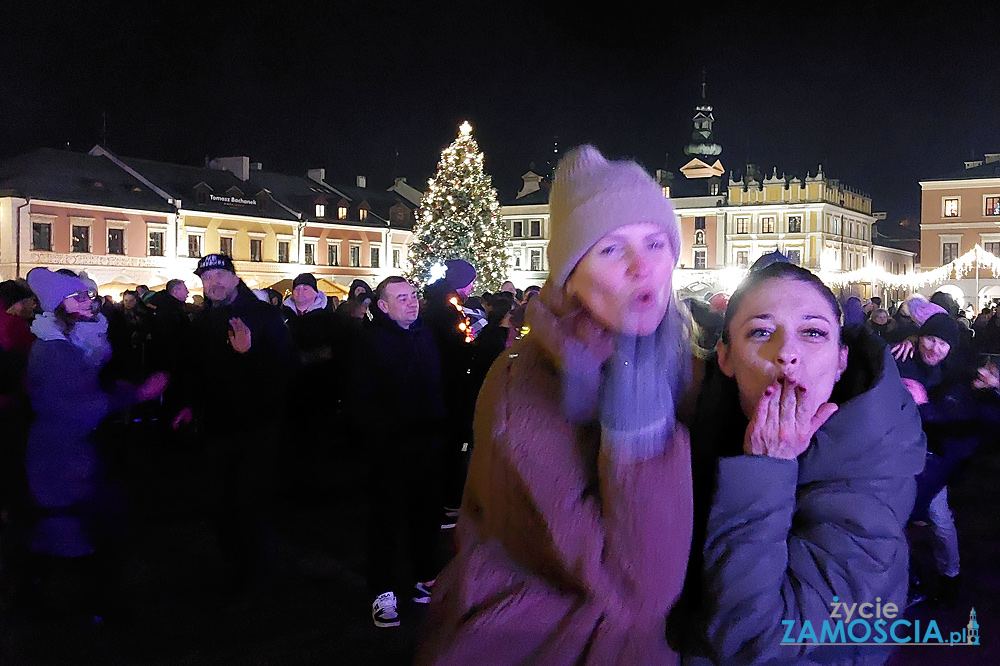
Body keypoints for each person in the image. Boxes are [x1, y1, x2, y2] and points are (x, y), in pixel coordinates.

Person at [418, 145, 693, 665]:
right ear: (570, 273)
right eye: (611, 249)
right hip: (542, 646)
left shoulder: (663, 357)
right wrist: (639, 436)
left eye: (656, 243)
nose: (642, 266)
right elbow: (641, 590)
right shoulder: (522, 388)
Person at [673, 261, 925, 666]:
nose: (787, 353)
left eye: (813, 332)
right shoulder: (692, 428)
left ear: (841, 359)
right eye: (761, 332)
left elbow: (757, 641)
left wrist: (767, 467)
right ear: (726, 358)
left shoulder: (871, 472)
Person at [21, 268, 167, 615]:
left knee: (63, 525)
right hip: (63, 451)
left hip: (66, 448)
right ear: (59, 306)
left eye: (88, 294)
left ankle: (41, 598)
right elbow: (78, 407)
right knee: (84, 525)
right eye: (79, 296)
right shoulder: (55, 352)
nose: (89, 300)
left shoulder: (64, 342)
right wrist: (139, 395)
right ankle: (98, 604)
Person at [175, 254, 294, 591]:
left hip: (256, 426)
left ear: (233, 276)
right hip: (217, 425)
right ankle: (234, 565)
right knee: (218, 501)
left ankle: (255, 575)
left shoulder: (264, 315)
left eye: (218, 276)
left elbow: (285, 366)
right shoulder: (202, 321)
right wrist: (189, 405)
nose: (212, 283)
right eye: (205, 277)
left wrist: (249, 353)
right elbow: (196, 370)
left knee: (248, 502)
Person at [358, 276, 446, 628]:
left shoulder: (425, 334)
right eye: (401, 298)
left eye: (413, 295)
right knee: (385, 519)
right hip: (389, 447)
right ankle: (383, 591)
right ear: (383, 306)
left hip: (427, 442)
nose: (411, 302)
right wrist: (381, 434)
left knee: (425, 514)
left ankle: (424, 576)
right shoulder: (369, 341)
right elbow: (361, 397)